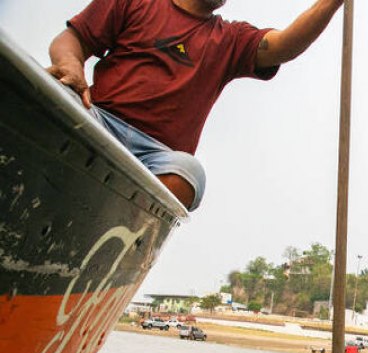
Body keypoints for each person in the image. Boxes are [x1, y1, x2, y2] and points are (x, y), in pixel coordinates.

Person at [47, 0, 344, 211]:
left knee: (189, 172)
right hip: (98, 121)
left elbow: (282, 45)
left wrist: (330, 2)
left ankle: (112, 218)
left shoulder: (230, 38)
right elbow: (72, 39)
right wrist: (70, 65)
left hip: (156, 157)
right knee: (52, 93)